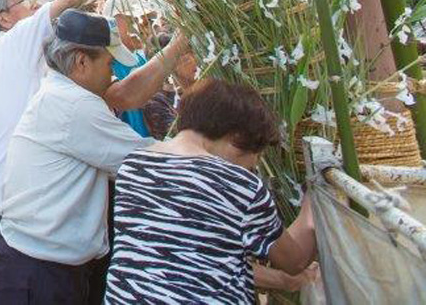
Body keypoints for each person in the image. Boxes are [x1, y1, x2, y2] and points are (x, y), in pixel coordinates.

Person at [0, 10, 191, 304]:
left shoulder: (61, 89)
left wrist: (176, 46)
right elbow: (150, 159)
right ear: (82, 62)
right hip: (39, 272)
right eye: (109, 64)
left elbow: (127, 94)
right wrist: (206, 143)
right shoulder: (73, 106)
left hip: (40, 263)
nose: (112, 74)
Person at [0, 0, 120, 305]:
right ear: (3, 18)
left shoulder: (31, 54)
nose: (35, 3)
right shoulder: (20, 37)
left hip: (1, 193)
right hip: (2, 198)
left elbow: (122, 93)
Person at [106, 79, 317, 303]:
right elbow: (293, 261)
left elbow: (197, 258)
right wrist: (310, 208)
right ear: (236, 139)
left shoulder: (134, 166)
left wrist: (281, 280)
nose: (252, 167)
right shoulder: (239, 185)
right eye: (255, 157)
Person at [103, 0, 152, 138]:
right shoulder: (107, 63)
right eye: (131, 19)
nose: (141, 24)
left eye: (146, 19)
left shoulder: (142, 57)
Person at [142, 32, 199, 139]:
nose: (194, 60)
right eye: (185, 59)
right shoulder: (156, 103)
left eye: (192, 53)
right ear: (166, 68)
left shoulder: (206, 86)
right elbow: (177, 139)